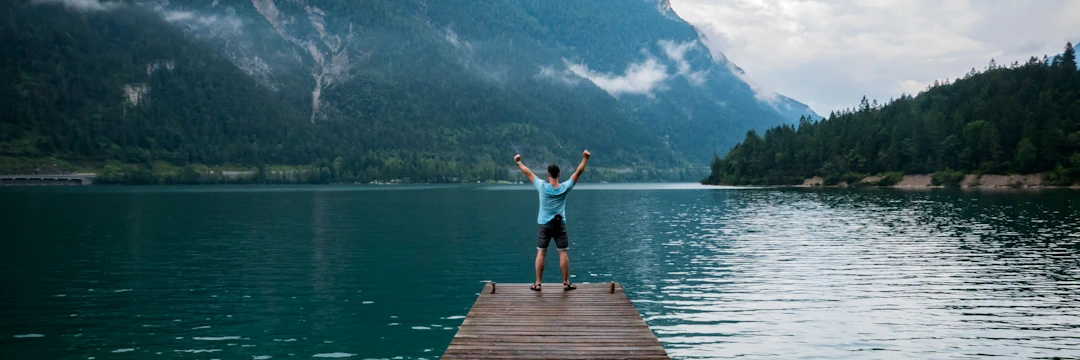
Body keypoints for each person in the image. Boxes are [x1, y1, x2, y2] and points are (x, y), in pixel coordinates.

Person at [514, 150, 590, 291]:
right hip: (560, 225)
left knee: (541, 253)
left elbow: (528, 172)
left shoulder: (542, 186)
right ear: (559, 174)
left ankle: (537, 283)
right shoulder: (564, 188)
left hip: (544, 225)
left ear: (548, 174)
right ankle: (566, 282)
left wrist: (518, 162)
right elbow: (578, 172)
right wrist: (585, 158)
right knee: (563, 253)